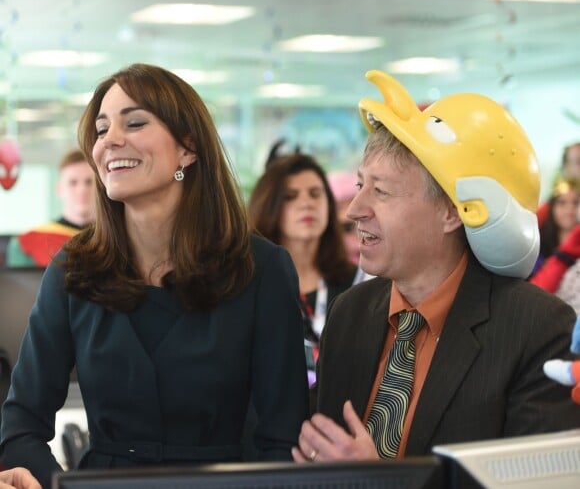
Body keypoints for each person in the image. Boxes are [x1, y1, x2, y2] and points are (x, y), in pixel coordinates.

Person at [0, 63, 308, 488]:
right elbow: (20, 426)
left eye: (135, 122)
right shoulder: (73, 268)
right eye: (102, 129)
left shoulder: (262, 269)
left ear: (188, 149)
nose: (110, 141)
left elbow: (283, 441)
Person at [292, 70, 580, 465]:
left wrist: (377, 482)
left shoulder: (538, 330)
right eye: (360, 186)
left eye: (381, 191)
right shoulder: (350, 313)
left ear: (451, 211)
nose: (355, 211)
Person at [247, 153, 357, 366]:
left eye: (316, 194)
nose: (307, 204)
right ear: (268, 206)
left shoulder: (356, 281)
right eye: (291, 196)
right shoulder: (249, 284)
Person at [6, 149, 95, 267]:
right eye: (73, 183)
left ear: (101, 188)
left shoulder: (117, 239)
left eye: (89, 182)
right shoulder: (25, 243)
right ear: (59, 189)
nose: (82, 190)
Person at [531, 179, 579, 275]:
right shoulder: (538, 242)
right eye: (562, 202)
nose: (570, 208)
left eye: (575, 203)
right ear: (552, 207)